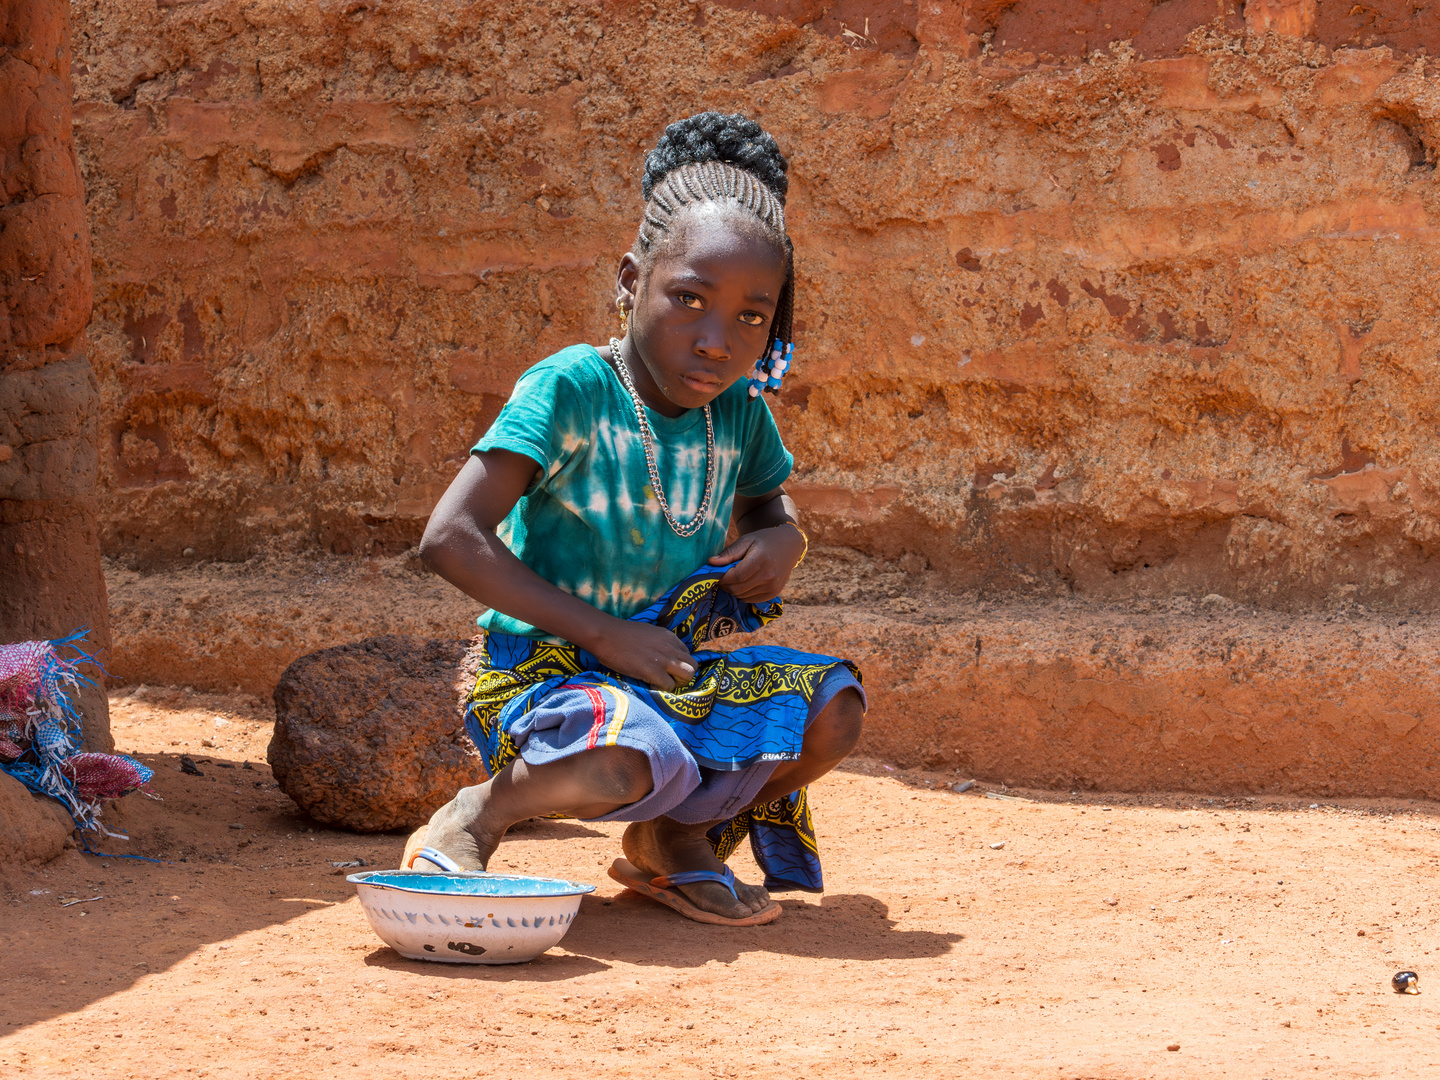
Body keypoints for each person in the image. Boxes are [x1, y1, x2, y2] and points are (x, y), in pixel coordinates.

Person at [410, 112, 865, 927]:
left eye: (752, 317)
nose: (718, 342)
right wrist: (606, 635)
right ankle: (479, 814)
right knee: (626, 758)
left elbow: (770, 504)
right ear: (630, 281)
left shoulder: (738, 414)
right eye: (688, 299)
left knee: (832, 708)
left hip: (664, 673)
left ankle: (673, 838)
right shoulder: (572, 388)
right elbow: (450, 536)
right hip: (540, 675)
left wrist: (783, 539)